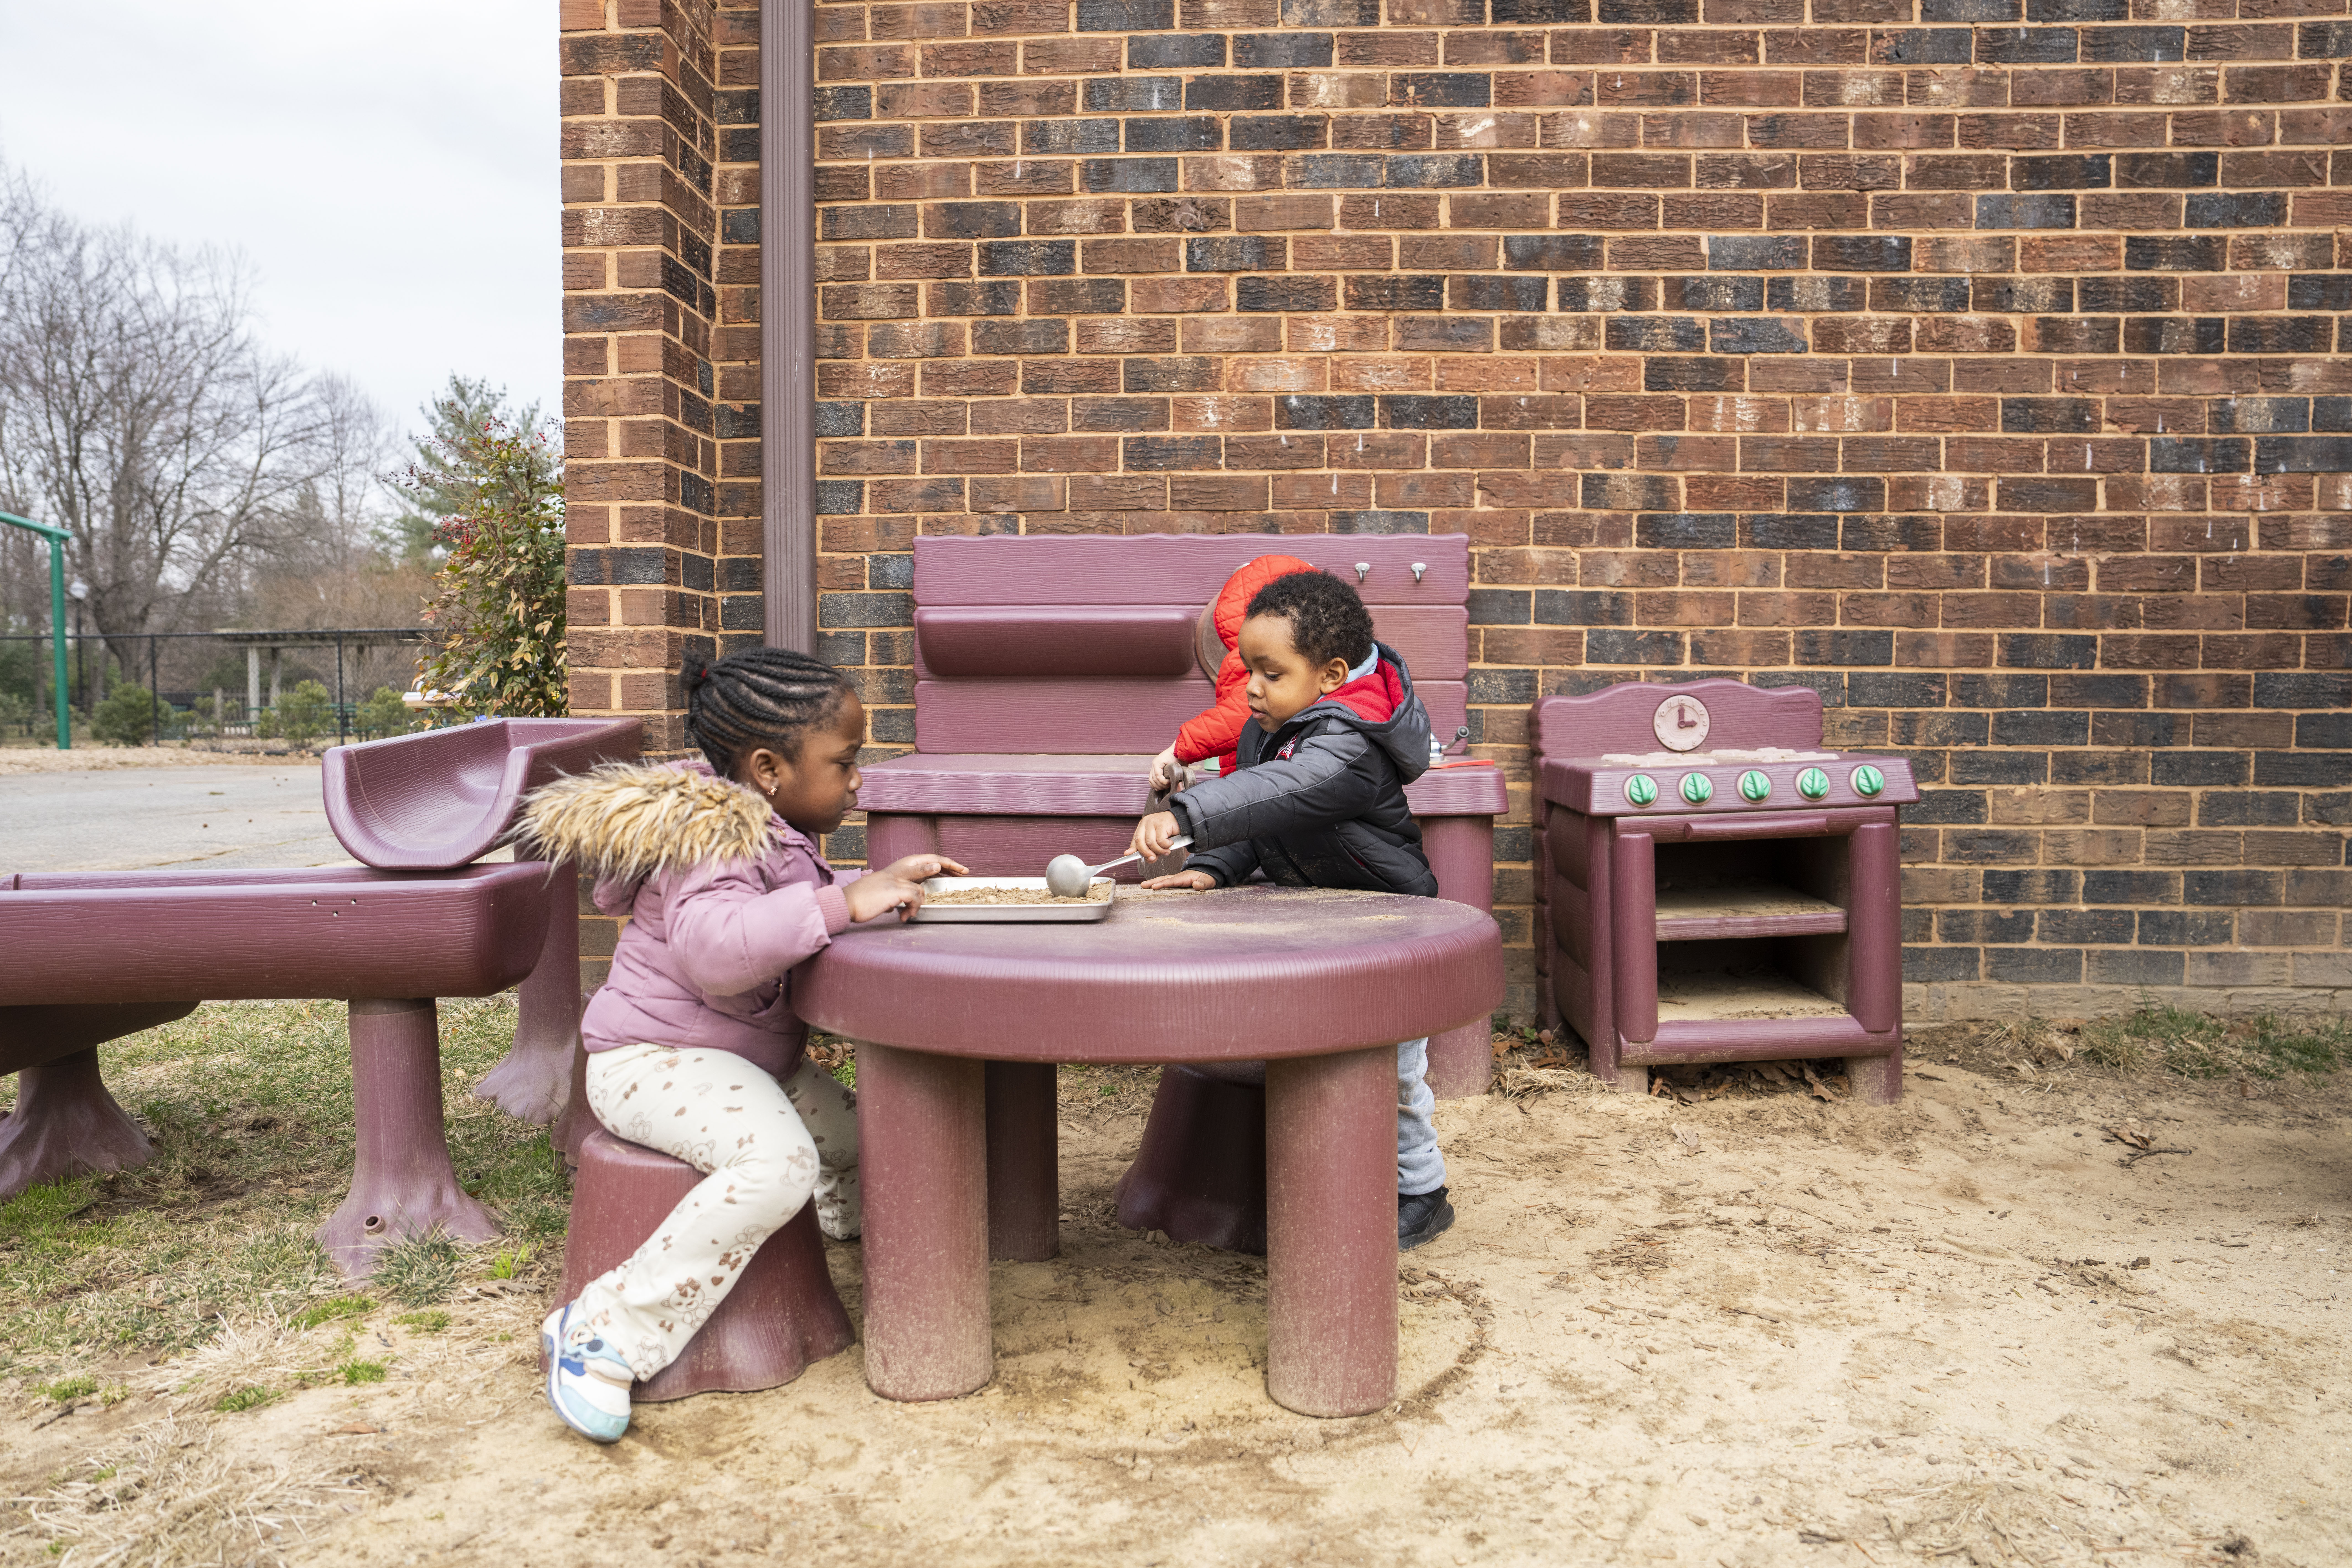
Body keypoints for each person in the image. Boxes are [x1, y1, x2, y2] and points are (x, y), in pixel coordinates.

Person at [514, 648, 966, 1443]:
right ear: (767, 767)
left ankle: (830, 1218)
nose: (857, 778)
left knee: (863, 1135)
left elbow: (786, 908)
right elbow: (715, 949)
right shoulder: (714, 835)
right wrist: (844, 902)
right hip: (653, 1062)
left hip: (738, 1062)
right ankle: (603, 1333)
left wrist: (873, 885)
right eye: (845, 761)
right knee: (778, 1161)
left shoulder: (770, 827)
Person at [1127, 569, 1456, 1250]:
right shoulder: (1270, 726)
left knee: (1394, 1071)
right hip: (1324, 920)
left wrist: (1188, 811)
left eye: (1270, 673)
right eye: (1247, 668)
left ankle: (1421, 1191)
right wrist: (1213, 866)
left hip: (1388, 925)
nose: (1250, 686)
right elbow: (1261, 815)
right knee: (1315, 1058)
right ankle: (1313, 1173)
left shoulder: (1349, 744)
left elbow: (1289, 787)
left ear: (1331, 674)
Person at [1148, 552, 1316, 789]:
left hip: (1265, 783)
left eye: (1272, 676)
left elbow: (1240, 715)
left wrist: (1177, 750)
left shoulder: (1258, 656)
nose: (1252, 687)